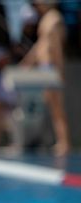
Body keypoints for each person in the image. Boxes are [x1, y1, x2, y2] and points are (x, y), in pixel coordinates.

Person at [22, 1, 70, 156]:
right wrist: (28, 62)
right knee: (48, 106)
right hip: (44, 67)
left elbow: (56, 47)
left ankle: (64, 142)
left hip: (51, 68)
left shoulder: (54, 19)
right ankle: (54, 140)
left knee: (57, 107)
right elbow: (40, 46)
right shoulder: (45, 19)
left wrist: (59, 71)